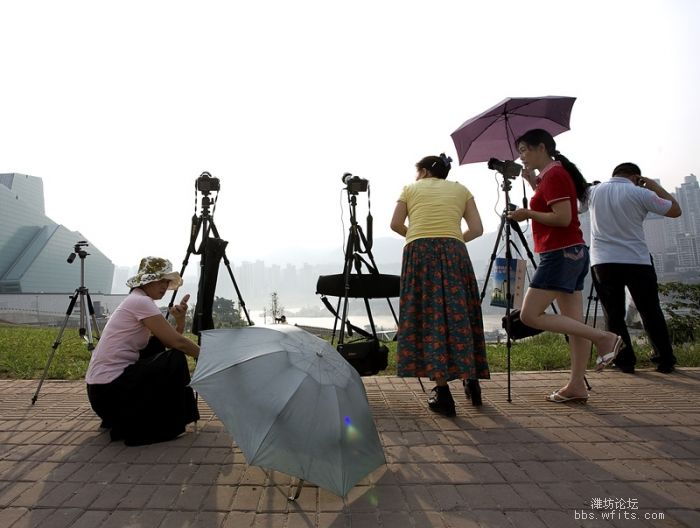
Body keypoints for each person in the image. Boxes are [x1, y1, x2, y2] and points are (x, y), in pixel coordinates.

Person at [507, 129, 622, 403]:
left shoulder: (556, 175)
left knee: (529, 315)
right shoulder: (550, 176)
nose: (521, 156)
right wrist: (534, 183)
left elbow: (562, 218)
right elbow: (555, 207)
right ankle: (576, 386)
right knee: (572, 324)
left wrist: (526, 213)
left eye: (524, 149)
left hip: (559, 254)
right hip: (570, 252)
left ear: (541, 148)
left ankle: (604, 338)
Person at [390, 153, 489, 416]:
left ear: (423, 172)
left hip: (418, 253)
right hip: (455, 251)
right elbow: (477, 229)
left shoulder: (410, 189)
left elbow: (395, 224)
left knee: (429, 316)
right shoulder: (461, 190)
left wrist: (417, 235)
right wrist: (452, 239)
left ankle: (443, 393)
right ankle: (471, 377)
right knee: (459, 313)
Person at [85, 256, 200, 445]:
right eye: (159, 280)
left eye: (166, 281)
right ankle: (165, 423)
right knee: (176, 358)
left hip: (101, 395)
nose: (163, 286)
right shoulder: (141, 302)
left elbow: (168, 342)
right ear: (146, 280)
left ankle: (141, 415)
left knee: (155, 347)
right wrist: (210, 357)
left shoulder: (136, 300)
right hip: (109, 393)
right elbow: (177, 344)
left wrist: (180, 322)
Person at [587, 162, 681, 374]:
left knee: (614, 313)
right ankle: (664, 360)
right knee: (650, 311)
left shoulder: (593, 191)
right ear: (636, 177)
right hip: (637, 260)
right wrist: (653, 186)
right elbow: (675, 210)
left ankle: (624, 361)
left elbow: (574, 206)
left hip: (603, 262)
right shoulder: (640, 193)